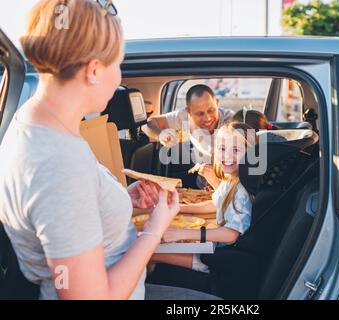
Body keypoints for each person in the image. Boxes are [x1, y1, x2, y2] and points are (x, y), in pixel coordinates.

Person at [0, 0, 217, 300]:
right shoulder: (57, 163)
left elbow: (73, 212)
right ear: (93, 71)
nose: (119, 79)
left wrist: (119, 200)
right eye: (119, 64)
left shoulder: (39, 129)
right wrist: (155, 230)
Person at [150, 122, 254, 273]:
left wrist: (182, 233)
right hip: (213, 248)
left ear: (250, 154)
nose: (227, 156)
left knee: (150, 252)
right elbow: (215, 203)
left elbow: (231, 234)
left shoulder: (241, 190)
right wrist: (179, 208)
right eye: (222, 149)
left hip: (216, 257)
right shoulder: (230, 180)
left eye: (236, 150)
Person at [146, 84, 234, 189]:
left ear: (217, 103)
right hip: (202, 187)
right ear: (189, 111)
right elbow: (151, 122)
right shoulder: (184, 117)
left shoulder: (231, 120)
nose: (207, 118)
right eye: (200, 114)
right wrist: (161, 134)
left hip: (228, 187)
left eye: (211, 110)